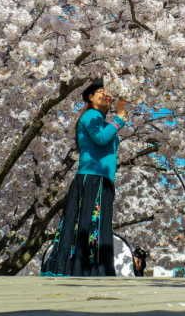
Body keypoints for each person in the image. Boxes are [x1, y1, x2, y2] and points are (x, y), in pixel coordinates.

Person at [42, 80, 128, 277]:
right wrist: (120, 117)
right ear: (90, 98)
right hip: (92, 178)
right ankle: (83, 270)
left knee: (97, 225)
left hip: (103, 178)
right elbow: (100, 138)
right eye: (100, 91)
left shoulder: (101, 119)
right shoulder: (91, 115)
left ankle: (92, 270)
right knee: (88, 225)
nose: (105, 94)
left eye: (106, 92)